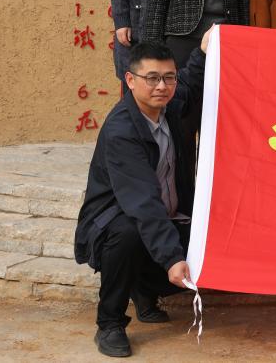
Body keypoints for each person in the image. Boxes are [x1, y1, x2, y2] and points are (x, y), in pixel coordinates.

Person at [74, 34, 211, 358]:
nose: (161, 86)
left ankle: (144, 289)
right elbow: (143, 204)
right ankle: (109, 322)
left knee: (209, 243)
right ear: (130, 80)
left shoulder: (169, 105)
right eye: (152, 78)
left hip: (166, 217)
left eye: (168, 77)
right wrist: (172, 258)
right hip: (115, 225)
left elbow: (189, 83)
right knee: (129, 233)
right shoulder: (122, 130)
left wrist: (204, 51)